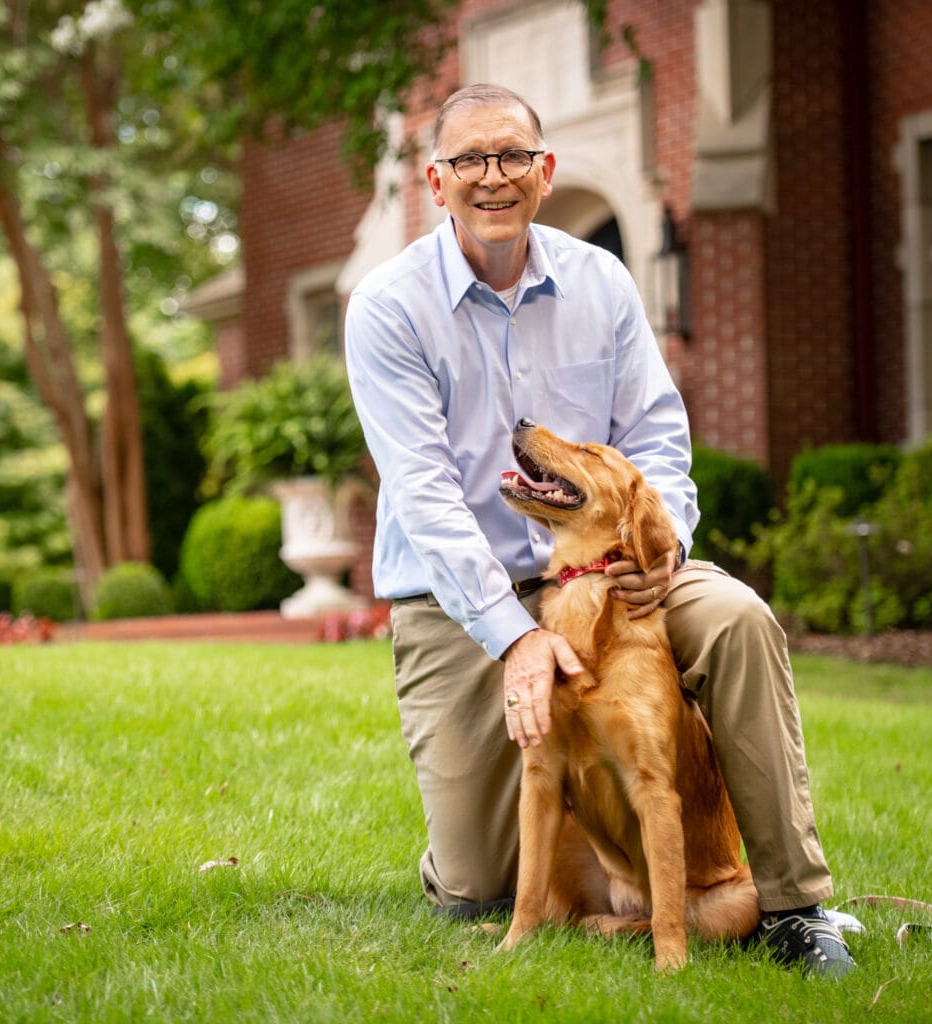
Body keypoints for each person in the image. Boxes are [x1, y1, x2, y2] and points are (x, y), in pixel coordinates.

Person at [344, 83, 855, 978]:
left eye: (511, 157)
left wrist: (665, 555)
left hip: (610, 565)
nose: (492, 177)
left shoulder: (600, 280)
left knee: (734, 619)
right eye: (469, 159)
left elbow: (656, 435)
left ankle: (793, 904)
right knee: (483, 883)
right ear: (436, 181)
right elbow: (423, 494)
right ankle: (472, 853)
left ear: (545, 173)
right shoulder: (388, 306)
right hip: (464, 594)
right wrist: (516, 638)